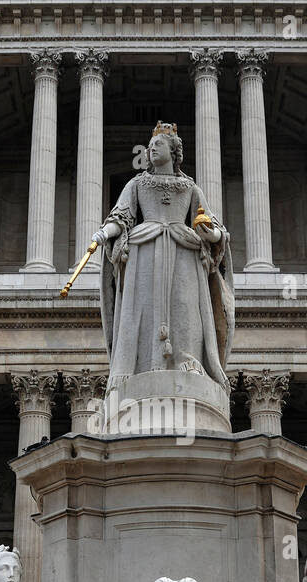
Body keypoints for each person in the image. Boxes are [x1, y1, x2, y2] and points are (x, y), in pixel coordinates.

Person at [93, 122, 233, 394]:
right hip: (145, 246)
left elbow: (213, 225)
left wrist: (212, 235)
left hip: (184, 248)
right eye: (149, 147)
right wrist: (104, 233)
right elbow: (121, 217)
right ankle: (143, 363)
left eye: (157, 145)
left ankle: (188, 358)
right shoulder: (136, 184)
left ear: (173, 150)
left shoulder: (189, 186)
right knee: (142, 305)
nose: (151, 149)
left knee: (185, 304)